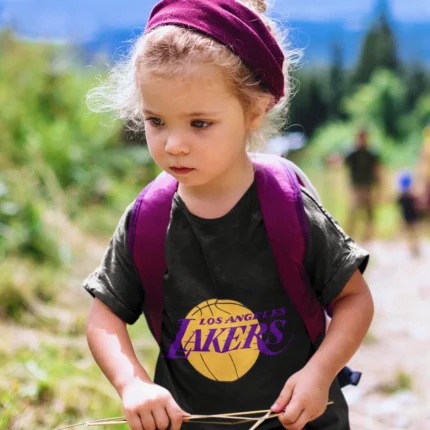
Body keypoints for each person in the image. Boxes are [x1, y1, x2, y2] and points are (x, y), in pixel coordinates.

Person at [83, 1, 374, 429]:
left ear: (253, 111)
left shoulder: (287, 204)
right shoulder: (147, 218)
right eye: (156, 120)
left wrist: (319, 373)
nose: (174, 144)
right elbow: (103, 317)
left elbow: (354, 299)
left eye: (199, 123)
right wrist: (133, 384)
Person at [344, 129, 382, 241]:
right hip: (356, 187)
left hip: (368, 186)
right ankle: (350, 235)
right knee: (353, 211)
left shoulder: (371, 154)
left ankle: (367, 236)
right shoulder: (352, 153)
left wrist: (379, 186)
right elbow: (343, 164)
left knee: (369, 212)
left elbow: (377, 170)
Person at [396, 172, 421, 257]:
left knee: (413, 233)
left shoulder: (406, 197)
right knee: (411, 234)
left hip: (411, 218)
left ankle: (414, 248)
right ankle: (412, 248)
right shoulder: (409, 197)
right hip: (409, 218)